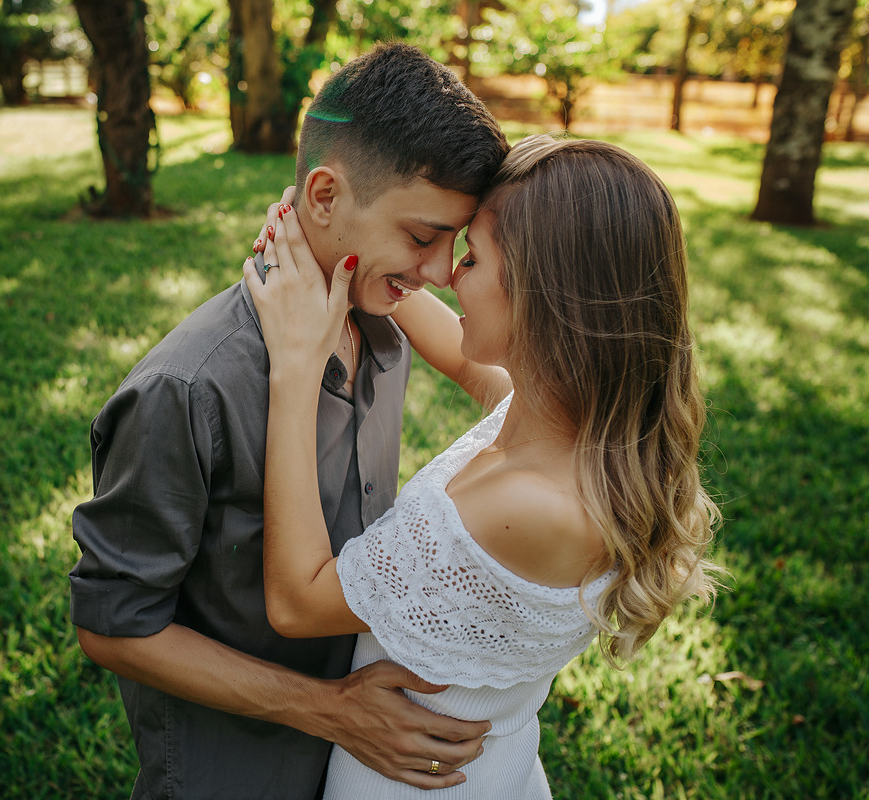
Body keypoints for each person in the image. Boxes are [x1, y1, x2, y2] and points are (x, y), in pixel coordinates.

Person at [69, 43, 510, 798]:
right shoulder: (189, 389)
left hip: (356, 765)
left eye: (455, 244)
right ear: (326, 195)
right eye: (421, 237)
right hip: (238, 770)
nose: (439, 274)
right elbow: (114, 626)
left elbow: (505, 388)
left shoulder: (388, 318)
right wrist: (329, 710)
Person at [243, 134, 722, 798]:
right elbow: (468, 359)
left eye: (470, 257)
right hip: (491, 766)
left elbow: (297, 601)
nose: (445, 273)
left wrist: (296, 367)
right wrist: (347, 247)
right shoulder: (569, 427)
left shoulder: (529, 506)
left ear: (544, 295)